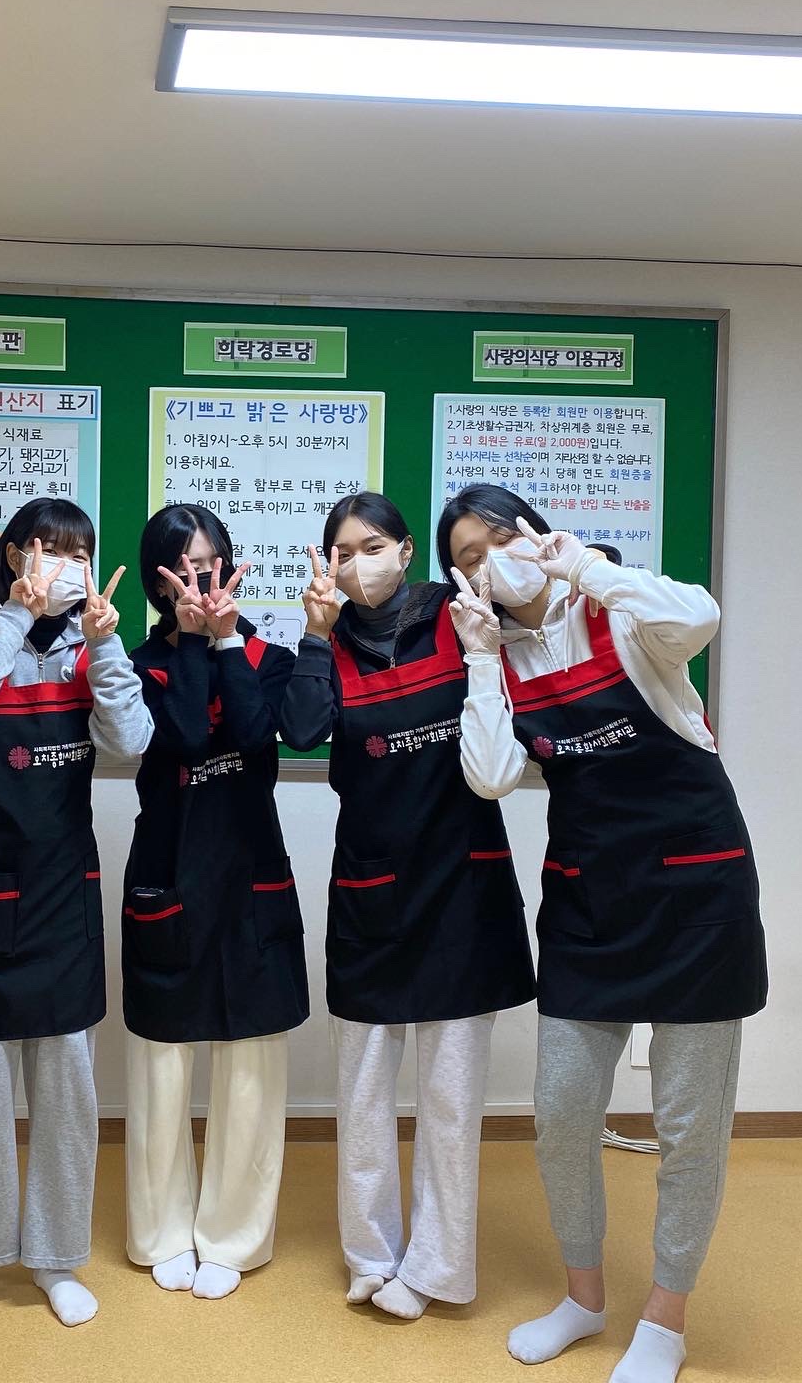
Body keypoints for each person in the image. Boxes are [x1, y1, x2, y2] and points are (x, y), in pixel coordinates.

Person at [442, 484, 766, 1383]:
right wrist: (479, 661)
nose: (490, 562)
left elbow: (699, 617)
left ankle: (666, 1318)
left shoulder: (618, 612)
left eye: (500, 539)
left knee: (688, 1126)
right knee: (561, 1114)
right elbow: (491, 776)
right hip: (589, 904)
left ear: (536, 535)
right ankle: (584, 1299)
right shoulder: (499, 656)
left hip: (697, 894)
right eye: (467, 558)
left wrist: (585, 567)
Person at [279, 491, 534, 1321]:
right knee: (361, 1092)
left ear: (406, 549)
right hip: (372, 890)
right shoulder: (328, 643)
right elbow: (302, 731)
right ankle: (371, 1255)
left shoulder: (457, 617)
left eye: (373, 546)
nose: (360, 564)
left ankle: (437, 1267)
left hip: (461, 885)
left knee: (451, 1101)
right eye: (343, 552)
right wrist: (313, 633)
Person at [0, 497, 152, 1330]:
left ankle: (56, 1259)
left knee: (66, 1098)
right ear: (15, 555)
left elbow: (130, 742)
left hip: (60, 900)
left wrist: (105, 643)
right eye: (47, 550)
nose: (63, 565)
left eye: (77, 553)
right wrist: (17, 614)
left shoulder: (92, 649)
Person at [122, 503, 307, 1300]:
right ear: (158, 578)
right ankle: (161, 1231)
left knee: (250, 1070)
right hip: (166, 874)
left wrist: (226, 641)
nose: (199, 577)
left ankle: (233, 1237)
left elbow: (260, 738)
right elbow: (189, 736)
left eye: (211, 561)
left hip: (251, 876)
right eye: (182, 565)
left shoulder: (268, 656)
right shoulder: (133, 666)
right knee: (161, 1069)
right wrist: (194, 641)